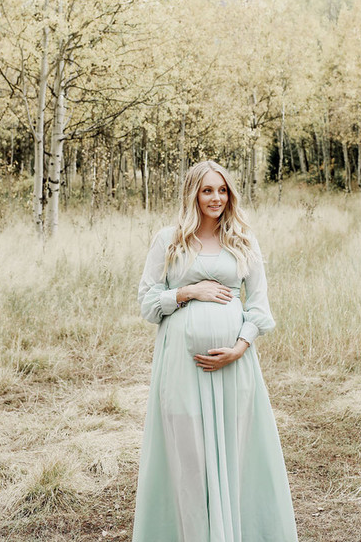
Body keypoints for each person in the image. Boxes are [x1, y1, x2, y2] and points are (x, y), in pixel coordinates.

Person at [132, 159, 298, 542]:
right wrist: (190, 291)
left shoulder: (242, 240)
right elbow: (147, 301)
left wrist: (240, 347)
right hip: (181, 367)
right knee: (188, 451)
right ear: (193, 193)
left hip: (234, 367)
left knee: (234, 451)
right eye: (208, 190)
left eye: (222, 190)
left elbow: (258, 305)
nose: (216, 198)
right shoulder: (168, 240)